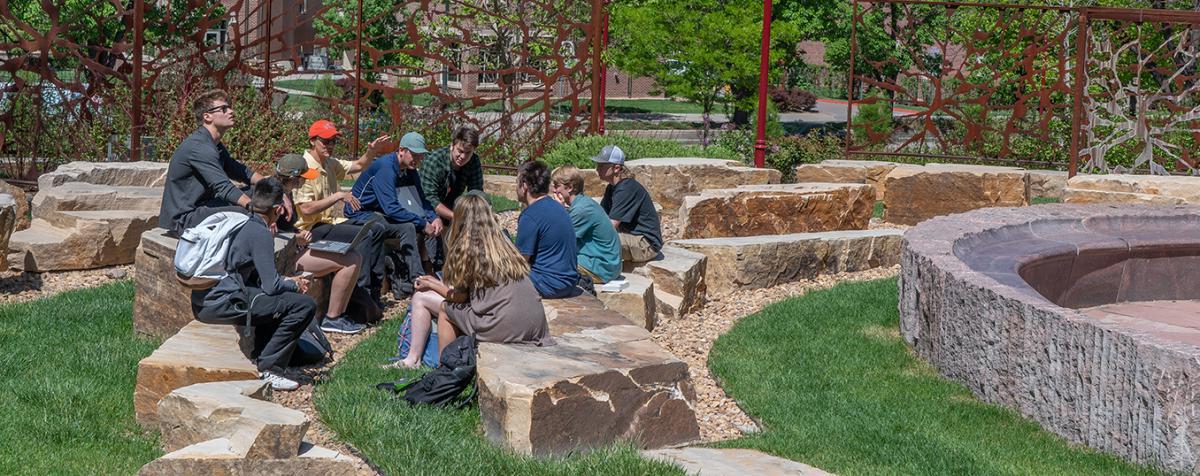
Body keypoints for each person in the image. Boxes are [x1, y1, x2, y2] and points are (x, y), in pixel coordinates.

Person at [192, 178, 314, 391]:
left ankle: (262, 353)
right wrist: (295, 285)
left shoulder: (239, 221)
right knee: (303, 305)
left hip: (204, 299)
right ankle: (270, 369)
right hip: (221, 304)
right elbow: (272, 287)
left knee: (275, 301)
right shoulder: (260, 233)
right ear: (277, 209)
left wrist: (286, 282)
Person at [406, 192, 552, 366]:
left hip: (503, 326)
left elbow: (459, 298)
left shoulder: (467, 248)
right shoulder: (503, 242)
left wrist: (431, 284)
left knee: (446, 309)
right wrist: (432, 282)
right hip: (535, 325)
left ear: (459, 218)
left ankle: (444, 368)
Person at [292, 119, 393, 313]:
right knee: (364, 235)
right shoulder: (306, 169)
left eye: (333, 141)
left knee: (377, 228)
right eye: (325, 141)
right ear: (313, 141)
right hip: (312, 230)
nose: (330, 145)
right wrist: (338, 196)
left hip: (330, 223)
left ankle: (373, 289)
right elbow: (306, 209)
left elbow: (358, 166)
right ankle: (358, 293)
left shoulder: (329, 162)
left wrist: (372, 151)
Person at [273, 154, 364, 332]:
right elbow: (269, 231)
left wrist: (298, 234)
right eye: (302, 179)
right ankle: (333, 318)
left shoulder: (285, 194)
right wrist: (296, 236)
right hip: (287, 257)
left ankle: (337, 315)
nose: (303, 183)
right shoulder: (274, 199)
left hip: (299, 247)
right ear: (293, 178)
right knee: (351, 260)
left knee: (352, 254)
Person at [344, 132, 441, 299]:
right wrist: (422, 223)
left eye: (420, 156)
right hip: (360, 213)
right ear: (402, 150)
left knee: (411, 226)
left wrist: (433, 217)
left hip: (378, 211)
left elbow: (421, 199)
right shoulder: (386, 168)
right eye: (414, 155)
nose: (417, 160)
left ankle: (420, 277)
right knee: (408, 227)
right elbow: (391, 208)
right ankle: (416, 280)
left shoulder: (409, 170)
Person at [160, 89, 264, 235]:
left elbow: (240, 171)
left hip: (206, 206)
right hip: (186, 217)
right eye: (223, 109)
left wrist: (273, 190)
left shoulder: (214, 144)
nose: (231, 111)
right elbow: (222, 186)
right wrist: (255, 208)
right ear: (207, 117)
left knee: (262, 193)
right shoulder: (199, 146)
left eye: (229, 107)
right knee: (246, 214)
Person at [418, 125, 484, 269]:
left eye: (468, 153)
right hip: (425, 206)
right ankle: (426, 265)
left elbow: (477, 192)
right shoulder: (434, 161)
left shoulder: (474, 161)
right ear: (452, 145)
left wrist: (479, 214)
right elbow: (429, 199)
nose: (463, 157)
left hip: (451, 202)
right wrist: (458, 217)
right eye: (460, 151)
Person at [514, 160, 579, 298]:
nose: (516, 188)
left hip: (547, 284)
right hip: (569, 282)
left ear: (524, 185)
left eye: (517, 183)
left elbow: (519, 263)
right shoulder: (558, 208)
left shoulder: (530, 215)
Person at [550, 165, 621, 284]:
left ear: (570, 187)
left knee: (547, 263)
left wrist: (558, 210)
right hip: (603, 263)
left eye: (557, 186)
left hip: (601, 267)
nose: (554, 190)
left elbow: (556, 240)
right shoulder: (583, 204)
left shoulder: (582, 210)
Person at [593, 145, 662, 265]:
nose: (597, 169)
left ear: (616, 168)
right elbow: (600, 215)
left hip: (646, 244)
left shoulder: (627, 188)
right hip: (632, 237)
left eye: (602, 166)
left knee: (593, 241)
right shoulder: (612, 188)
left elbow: (611, 225)